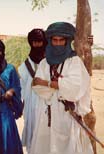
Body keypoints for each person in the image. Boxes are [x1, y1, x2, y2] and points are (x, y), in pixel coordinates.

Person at [30, 22, 93, 154]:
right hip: (47, 115)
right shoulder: (44, 63)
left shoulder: (74, 62)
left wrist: (48, 83)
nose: (58, 43)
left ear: (67, 41)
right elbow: (37, 87)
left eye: (61, 40)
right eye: (55, 40)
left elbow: (75, 88)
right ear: (50, 41)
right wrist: (60, 85)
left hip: (67, 115)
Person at [18, 28, 47, 153]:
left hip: (48, 104)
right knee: (33, 135)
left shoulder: (51, 62)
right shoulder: (25, 66)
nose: (37, 45)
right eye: (34, 42)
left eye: (39, 42)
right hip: (31, 106)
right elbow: (22, 88)